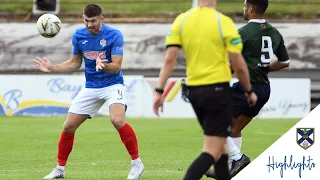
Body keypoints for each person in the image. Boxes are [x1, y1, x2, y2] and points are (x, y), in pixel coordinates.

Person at [33, 4, 144, 180]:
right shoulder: (79, 35)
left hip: (113, 84)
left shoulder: (114, 35)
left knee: (117, 120)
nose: (89, 24)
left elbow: (116, 68)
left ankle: (137, 164)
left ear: (101, 19)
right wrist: (52, 68)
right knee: (69, 126)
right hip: (91, 87)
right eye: (86, 20)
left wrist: (104, 66)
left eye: (93, 21)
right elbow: (75, 63)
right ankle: (60, 169)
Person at [152, 0, 257, 179]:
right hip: (217, 92)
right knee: (212, 151)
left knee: (222, 150)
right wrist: (248, 90)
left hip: (194, 92)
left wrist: (159, 91)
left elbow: (169, 60)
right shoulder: (223, 22)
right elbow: (238, 64)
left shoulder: (182, 20)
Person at [205, 0, 290, 178]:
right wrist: (264, 68)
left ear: (250, 9)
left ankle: (238, 158)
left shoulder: (243, 32)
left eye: (245, 6)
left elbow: (232, 63)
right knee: (234, 128)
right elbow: (284, 62)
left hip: (246, 88)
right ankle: (232, 171)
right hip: (264, 90)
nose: (244, 9)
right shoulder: (275, 32)